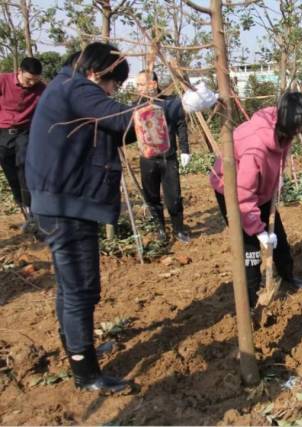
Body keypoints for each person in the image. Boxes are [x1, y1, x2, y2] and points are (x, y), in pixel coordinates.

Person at [26, 43, 215, 393]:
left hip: (59, 202)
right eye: (113, 84)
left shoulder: (65, 87)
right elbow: (124, 119)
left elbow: (123, 128)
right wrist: (182, 105)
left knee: (71, 287)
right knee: (81, 288)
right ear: (98, 73)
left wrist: (173, 108)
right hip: (67, 206)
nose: (113, 92)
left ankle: (78, 352)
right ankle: (86, 374)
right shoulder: (76, 87)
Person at [209, 92, 302, 308]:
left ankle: (287, 276)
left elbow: (278, 157)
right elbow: (243, 194)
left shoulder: (283, 126)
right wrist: (258, 230)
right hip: (233, 191)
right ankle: (251, 296)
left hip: (260, 187)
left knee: (278, 237)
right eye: (298, 128)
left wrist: (276, 181)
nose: (300, 132)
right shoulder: (255, 147)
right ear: (287, 121)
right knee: (250, 248)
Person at [136, 70, 191, 243]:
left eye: (140, 84)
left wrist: (185, 150)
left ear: (153, 84)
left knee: (173, 197)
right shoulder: (136, 106)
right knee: (152, 197)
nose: (137, 88)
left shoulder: (171, 103)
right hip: (147, 159)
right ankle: (160, 229)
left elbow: (181, 124)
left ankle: (179, 229)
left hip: (169, 157)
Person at [0, 57, 45, 230]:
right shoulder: (3, 80)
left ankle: (33, 214)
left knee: (24, 170)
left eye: (35, 80)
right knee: (11, 174)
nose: (31, 83)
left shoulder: (41, 89)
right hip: (3, 133)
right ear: (19, 71)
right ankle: (23, 207)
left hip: (24, 133)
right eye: (28, 79)